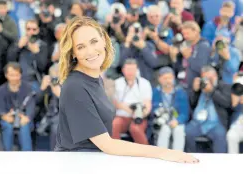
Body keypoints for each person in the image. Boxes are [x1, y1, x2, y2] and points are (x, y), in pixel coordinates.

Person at [55, 16, 198, 163]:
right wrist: (163, 153)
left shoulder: (95, 79)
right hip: (77, 164)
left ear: (104, 40)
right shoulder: (75, 87)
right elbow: (107, 145)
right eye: (80, 47)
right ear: (73, 53)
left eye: (94, 41)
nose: (90, 51)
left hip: (94, 161)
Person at [185, 66, 232, 153]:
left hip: (216, 123)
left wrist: (212, 90)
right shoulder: (200, 88)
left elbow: (227, 103)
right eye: (205, 78)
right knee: (187, 132)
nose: (207, 81)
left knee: (220, 135)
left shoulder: (225, 86)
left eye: (210, 78)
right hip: (198, 123)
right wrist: (195, 91)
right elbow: (191, 104)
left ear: (215, 76)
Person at [0, 62, 36, 151]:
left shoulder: (28, 88)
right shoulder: (1, 90)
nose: (14, 78)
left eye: (16, 75)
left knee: (25, 126)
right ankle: (7, 155)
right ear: (6, 75)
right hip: (8, 117)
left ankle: (27, 155)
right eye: (11, 75)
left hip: (24, 117)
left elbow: (31, 107)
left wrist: (27, 117)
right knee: (7, 126)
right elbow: (0, 109)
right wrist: (5, 116)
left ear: (20, 75)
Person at [112, 59, 152, 145]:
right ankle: (115, 152)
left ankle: (145, 153)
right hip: (122, 115)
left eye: (133, 70)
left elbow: (147, 104)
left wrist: (142, 114)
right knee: (114, 125)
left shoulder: (145, 83)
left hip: (139, 116)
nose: (130, 72)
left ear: (137, 70)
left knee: (136, 129)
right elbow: (114, 102)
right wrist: (128, 109)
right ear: (123, 70)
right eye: (128, 69)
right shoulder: (117, 83)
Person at [152, 67, 189, 151]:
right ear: (159, 79)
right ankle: (162, 156)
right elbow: (153, 109)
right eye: (165, 78)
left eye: (170, 78)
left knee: (179, 131)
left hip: (176, 120)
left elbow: (185, 113)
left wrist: (177, 121)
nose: (168, 81)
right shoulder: (155, 92)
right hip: (161, 121)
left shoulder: (180, 92)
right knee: (164, 130)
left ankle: (178, 156)